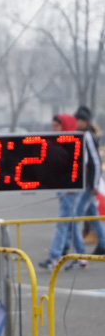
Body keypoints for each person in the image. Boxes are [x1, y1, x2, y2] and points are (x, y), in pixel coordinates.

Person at [40, 114, 83, 269]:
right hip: (62, 187)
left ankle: (55, 256)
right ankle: (82, 256)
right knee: (71, 223)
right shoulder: (56, 143)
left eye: (56, 126)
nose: (53, 129)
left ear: (64, 126)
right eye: (52, 126)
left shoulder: (72, 143)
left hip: (70, 189)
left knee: (63, 223)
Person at [71, 105, 105, 257]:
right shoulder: (83, 134)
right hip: (87, 183)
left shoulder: (88, 136)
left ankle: (77, 253)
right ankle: (103, 243)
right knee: (94, 215)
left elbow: (95, 162)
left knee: (75, 217)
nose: (75, 123)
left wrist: (95, 184)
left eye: (77, 120)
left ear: (84, 122)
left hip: (90, 184)